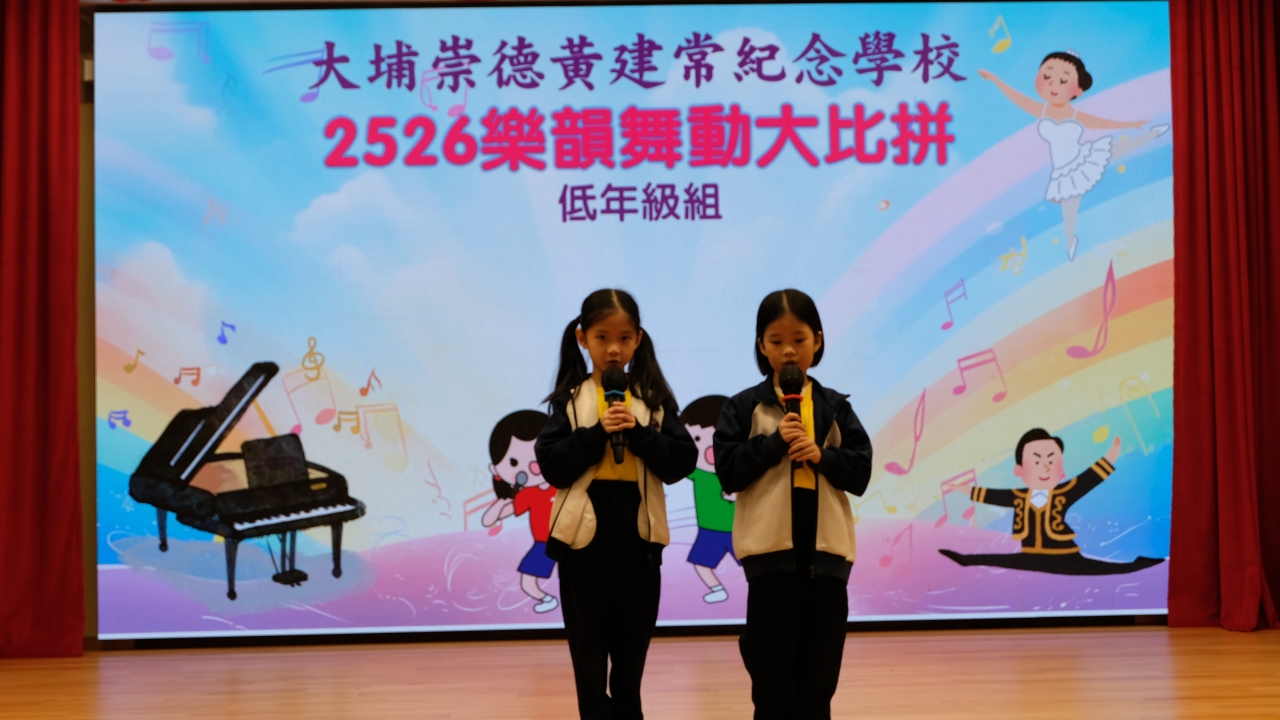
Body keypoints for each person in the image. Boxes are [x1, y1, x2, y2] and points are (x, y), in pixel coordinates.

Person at [535, 288, 697, 720]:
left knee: (631, 647)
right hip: (584, 533)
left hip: (639, 530)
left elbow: (682, 461)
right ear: (582, 338)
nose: (613, 349)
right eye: (602, 337)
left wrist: (639, 433)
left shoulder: (653, 400)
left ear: (638, 339)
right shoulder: (569, 400)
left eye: (624, 338)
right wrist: (596, 433)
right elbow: (553, 466)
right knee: (588, 650)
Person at [714, 289, 873, 720]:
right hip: (770, 561)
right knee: (772, 682)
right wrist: (772, 444)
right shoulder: (742, 407)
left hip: (826, 559)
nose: (788, 350)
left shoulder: (835, 407)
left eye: (799, 339)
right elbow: (728, 474)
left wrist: (823, 456)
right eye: (777, 340)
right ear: (761, 345)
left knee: (819, 679)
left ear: (817, 341)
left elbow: (860, 472)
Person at [979, 51, 1169, 261]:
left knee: (1117, 150)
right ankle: (1071, 242)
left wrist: (1131, 124)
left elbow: (1102, 123)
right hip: (1062, 169)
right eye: (1047, 76)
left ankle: (1152, 134)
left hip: (1080, 158)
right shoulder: (1042, 111)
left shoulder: (1075, 115)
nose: (1053, 85)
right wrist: (996, 80)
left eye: (1063, 81)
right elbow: (1018, 99)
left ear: (1078, 90)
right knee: (1069, 206)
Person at [939, 428, 1165, 575]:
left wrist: (1111, 456)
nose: (1045, 468)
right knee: (1001, 560)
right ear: (1019, 470)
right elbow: (992, 495)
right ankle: (965, 560)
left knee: (1108, 569)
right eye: (1037, 462)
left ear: (1061, 467)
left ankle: (1137, 565)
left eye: (1051, 460)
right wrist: (965, 490)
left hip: (1065, 557)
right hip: (1032, 556)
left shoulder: (1064, 492)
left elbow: (1088, 479)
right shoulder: (1019, 497)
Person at [480, 409, 559, 613]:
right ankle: (548, 599)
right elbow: (489, 520)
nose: (532, 466)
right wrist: (500, 502)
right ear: (496, 469)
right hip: (544, 544)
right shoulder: (527, 494)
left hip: (571, 540)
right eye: (513, 462)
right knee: (528, 582)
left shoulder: (563, 483)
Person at [680, 395, 739, 604]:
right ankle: (717, 589)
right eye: (696, 439)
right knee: (701, 564)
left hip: (741, 528)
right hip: (709, 530)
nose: (708, 446)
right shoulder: (698, 473)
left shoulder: (738, 467)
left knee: (753, 564)